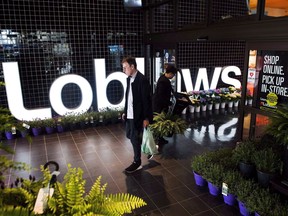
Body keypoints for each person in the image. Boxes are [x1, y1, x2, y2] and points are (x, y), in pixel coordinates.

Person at [122, 57, 153, 173]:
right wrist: (125, 111)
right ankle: (148, 149)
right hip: (130, 114)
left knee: (134, 138)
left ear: (132, 66)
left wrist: (146, 118)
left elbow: (147, 101)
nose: (124, 70)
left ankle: (137, 162)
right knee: (130, 135)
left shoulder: (142, 80)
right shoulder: (129, 79)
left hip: (138, 115)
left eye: (125, 68)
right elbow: (128, 97)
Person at [152, 64, 177, 146]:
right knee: (159, 122)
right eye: (173, 75)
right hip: (159, 106)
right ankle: (157, 140)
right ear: (170, 73)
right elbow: (161, 95)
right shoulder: (163, 81)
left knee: (160, 122)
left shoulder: (163, 78)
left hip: (159, 105)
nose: (173, 77)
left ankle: (159, 138)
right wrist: (167, 103)